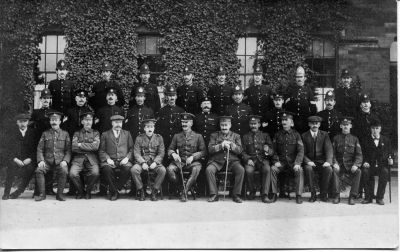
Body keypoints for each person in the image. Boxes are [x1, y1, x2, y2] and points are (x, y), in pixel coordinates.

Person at [167, 113, 206, 202]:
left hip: (193, 163)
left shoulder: (198, 136)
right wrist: (173, 154)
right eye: (183, 122)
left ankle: (184, 193)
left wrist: (193, 157)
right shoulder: (176, 136)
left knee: (196, 169)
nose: (184, 124)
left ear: (191, 123)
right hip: (179, 162)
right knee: (169, 170)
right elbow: (170, 149)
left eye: (186, 122)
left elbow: (204, 151)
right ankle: (182, 187)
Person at [206, 116, 245, 203]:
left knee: (241, 170)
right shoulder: (214, 135)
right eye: (222, 125)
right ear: (220, 125)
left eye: (226, 125)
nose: (224, 127)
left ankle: (236, 195)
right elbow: (210, 149)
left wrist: (231, 145)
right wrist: (221, 145)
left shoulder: (236, 136)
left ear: (230, 125)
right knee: (209, 170)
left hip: (232, 161)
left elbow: (239, 151)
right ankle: (214, 194)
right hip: (217, 161)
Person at [35, 110, 71, 201]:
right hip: (47, 160)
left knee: (63, 170)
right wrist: (41, 160)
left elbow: (68, 150)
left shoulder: (65, 134)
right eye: (52, 120)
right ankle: (42, 194)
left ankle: (60, 195)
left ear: (60, 121)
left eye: (56, 120)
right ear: (50, 121)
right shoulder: (45, 133)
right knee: (39, 170)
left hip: (60, 161)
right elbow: (40, 149)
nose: (54, 122)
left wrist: (65, 161)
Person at [271, 112, 305, 204]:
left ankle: (298, 195)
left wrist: (297, 163)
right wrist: (276, 161)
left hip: (293, 163)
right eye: (282, 120)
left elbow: (301, 150)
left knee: (300, 170)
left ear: (291, 123)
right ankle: (274, 194)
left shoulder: (296, 135)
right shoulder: (277, 135)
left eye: (286, 120)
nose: (284, 122)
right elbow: (273, 150)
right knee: (273, 169)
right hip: (281, 163)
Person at [98, 115, 134, 201]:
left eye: (120, 122)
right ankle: (115, 192)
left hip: (123, 159)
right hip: (110, 160)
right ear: (112, 123)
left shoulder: (127, 133)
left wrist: (127, 158)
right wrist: (107, 159)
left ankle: (114, 189)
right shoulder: (105, 134)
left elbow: (132, 149)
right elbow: (101, 150)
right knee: (106, 169)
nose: (118, 124)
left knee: (128, 168)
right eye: (116, 122)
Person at [2, 113, 36, 200]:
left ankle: (19, 191)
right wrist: (15, 159)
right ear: (17, 122)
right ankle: (6, 193)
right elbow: (7, 149)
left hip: (28, 160)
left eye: (25, 121)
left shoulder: (33, 133)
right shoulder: (11, 134)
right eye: (20, 122)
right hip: (15, 159)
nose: (23, 124)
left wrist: (30, 159)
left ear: (28, 122)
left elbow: (36, 149)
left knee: (31, 169)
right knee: (11, 168)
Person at [241, 115, 275, 203]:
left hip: (263, 160)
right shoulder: (245, 137)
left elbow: (272, 151)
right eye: (251, 124)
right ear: (249, 125)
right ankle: (252, 191)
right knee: (248, 171)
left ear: (259, 124)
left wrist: (268, 150)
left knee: (267, 169)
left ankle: (264, 194)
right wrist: (248, 159)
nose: (253, 126)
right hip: (251, 160)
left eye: (255, 124)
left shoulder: (265, 135)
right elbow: (242, 151)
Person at [132, 118, 166, 201]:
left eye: (151, 127)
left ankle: (154, 191)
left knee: (163, 170)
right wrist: (143, 162)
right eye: (147, 127)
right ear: (144, 128)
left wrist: (155, 162)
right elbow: (136, 153)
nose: (149, 129)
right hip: (142, 162)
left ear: (154, 128)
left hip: (154, 162)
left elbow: (161, 153)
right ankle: (141, 191)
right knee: (134, 170)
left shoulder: (159, 138)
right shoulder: (139, 138)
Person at [301, 116, 333, 203]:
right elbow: (301, 152)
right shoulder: (304, 135)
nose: (314, 125)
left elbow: (329, 149)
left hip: (322, 161)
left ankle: (323, 193)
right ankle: (313, 193)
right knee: (308, 168)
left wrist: (328, 161)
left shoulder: (324, 134)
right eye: (312, 123)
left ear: (319, 124)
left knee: (329, 169)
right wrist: (308, 161)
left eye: (316, 123)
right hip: (310, 161)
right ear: (309, 124)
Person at [331, 117, 363, 205]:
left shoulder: (355, 139)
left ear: (350, 126)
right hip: (340, 165)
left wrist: (356, 164)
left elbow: (359, 155)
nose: (345, 127)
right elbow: (332, 153)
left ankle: (352, 196)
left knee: (358, 171)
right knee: (335, 170)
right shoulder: (336, 138)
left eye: (347, 125)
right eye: (344, 125)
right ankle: (336, 195)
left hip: (350, 165)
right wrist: (335, 163)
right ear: (341, 126)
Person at [69, 111, 100, 199]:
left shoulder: (96, 133)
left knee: (95, 173)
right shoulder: (76, 133)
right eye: (86, 120)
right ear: (82, 122)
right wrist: (88, 146)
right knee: (72, 173)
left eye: (90, 120)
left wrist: (80, 145)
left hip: (92, 159)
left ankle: (88, 191)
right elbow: (74, 147)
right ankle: (81, 191)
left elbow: (95, 147)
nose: (88, 122)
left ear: (92, 121)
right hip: (78, 159)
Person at [361, 118, 392, 205]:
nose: (375, 130)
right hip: (369, 164)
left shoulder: (386, 140)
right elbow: (361, 153)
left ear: (380, 129)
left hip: (382, 165)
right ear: (370, 129)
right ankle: (368, 197)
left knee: (385, 172)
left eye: (377, 128)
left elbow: (390, 153)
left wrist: (391, 158)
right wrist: (364, 162)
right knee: (365, 172)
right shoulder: (365, 140)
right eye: (373, 128)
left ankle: (379, 197)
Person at [156, 85, 185, 164]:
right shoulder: (161, 111)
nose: (172, 98)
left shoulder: (181, 111)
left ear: (176, 96)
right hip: (165, 143)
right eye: (169, 96)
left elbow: (184, 129)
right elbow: (158, 128)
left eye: (173, 95)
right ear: (166, 97)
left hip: (177, 144)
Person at [284, 66, 317, 133]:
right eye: (297, 77)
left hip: (305, 122)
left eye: (301, 77)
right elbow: (286, 107)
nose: (299, 79)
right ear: (295, 78)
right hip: (293, 122)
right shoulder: (291, 90)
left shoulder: (308, 91)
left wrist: (310, 121)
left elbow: (313, 108)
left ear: (304, 78)